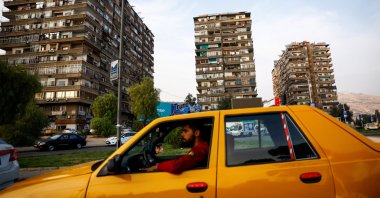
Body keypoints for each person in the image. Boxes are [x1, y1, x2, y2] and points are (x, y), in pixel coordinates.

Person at [141, 122, 209, 174]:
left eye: (185, 131)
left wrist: (156, 167)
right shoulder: (201, 148)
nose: (182, 134)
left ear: (196, 133)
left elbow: (177, 165)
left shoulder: (200, 150)